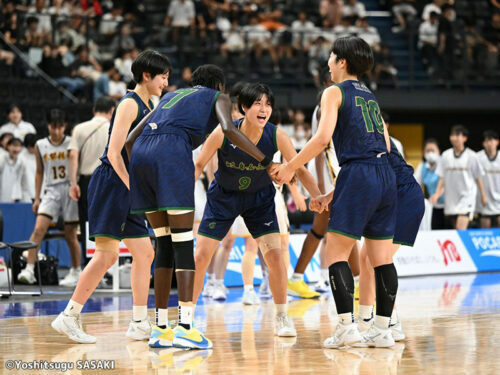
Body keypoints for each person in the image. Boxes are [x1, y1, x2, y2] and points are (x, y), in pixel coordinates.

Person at [126, 65, 278, 350]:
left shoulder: (170, 96)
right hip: (170, 155)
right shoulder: (216, 97)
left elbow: (130, 138)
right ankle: (184, 327)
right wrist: (264, 160)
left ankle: (160, 329)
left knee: (164, 244)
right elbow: (229, 129)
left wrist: (143, 169)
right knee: (183, 244)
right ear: (219, 86)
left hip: (141, 158)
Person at [274, 36, 399, 349]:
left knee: (335, 253)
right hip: (386, 174)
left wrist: (290, 167)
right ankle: (383, 330)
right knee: (382, 259)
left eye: (331, 56)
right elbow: (384, 145)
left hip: (359, 172)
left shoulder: (333, 92)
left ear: (342, 61)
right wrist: (337, 191)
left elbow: (320, 139)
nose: (328, 62)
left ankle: (346, 327)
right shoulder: (370, 96)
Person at [51, 50, 171, 344]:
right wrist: (135, 187)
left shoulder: (149, 105)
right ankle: (69, 316)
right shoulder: (130, 104)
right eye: (163, 76)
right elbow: (114, 153)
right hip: (113, 183)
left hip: (128, 185)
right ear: (146, 75)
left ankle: (140, 321)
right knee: (106, 255)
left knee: (145, 253)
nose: (166, 83)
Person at [192, 83, 323, 339]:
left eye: (268, 104)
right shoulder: (223, 133)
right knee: (200, 256)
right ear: (243, 107)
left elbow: (301, 169)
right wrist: (180, 196)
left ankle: (282, 317)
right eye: (257, 104)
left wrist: (317, 196)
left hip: (260, 200)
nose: (264, 109)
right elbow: (198, 164)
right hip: (224, 198)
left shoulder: (276, 135)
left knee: (276, 258)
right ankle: (186, 320)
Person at [288, 69, 360, 299]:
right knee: (346, 228)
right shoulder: (325, 105)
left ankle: (296, 278)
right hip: (329, 174)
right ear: (328, 79)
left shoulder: (335, 101)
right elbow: (320, 147)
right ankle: (357, 282)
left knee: (320, 229)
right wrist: (319, 186)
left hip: (337, 172)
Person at [357, 138, 424, 343]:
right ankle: (364, 321)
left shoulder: (372, 138)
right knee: (365, 258)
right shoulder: (359, 140)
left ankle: (391, 323)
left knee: (377, 261)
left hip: (404, 197)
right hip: (388, 199)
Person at [17, 110, 81, 287]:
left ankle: (76, 270)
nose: (57, 130)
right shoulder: (40, 145)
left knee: (71, 234)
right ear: (48, 126)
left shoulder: (71, 142)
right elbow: (39, 172)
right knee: (38, 229)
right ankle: (29, 269)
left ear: (65, 126)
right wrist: (37, 198)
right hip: (51, 189)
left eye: (61, 126)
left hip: (69, 188)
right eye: (54, 126)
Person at [67, 96, 116, 260]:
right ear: (112, 111)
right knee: (107, 222)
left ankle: (89, 264)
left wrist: (73, 183)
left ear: (94, 110)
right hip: (109, 180)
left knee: (87, 224)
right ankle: (108, 265)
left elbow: (73, 156)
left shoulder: (80, 128)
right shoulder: (114, 128)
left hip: (86, 180)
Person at [430, 125, 487, 230]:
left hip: (467, 198)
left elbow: (478, 177)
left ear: (464, 138)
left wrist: (483, 195)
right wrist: (437, 194)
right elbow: (442, 178)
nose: (454, 138)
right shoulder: (445, 155)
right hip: (451, 199)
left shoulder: (472, 156)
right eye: (452, 135)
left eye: (457, 135)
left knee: (461, 228)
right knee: (456, 230)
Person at [414, 138, 445, 229]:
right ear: (424, 153)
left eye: (433, 150)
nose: (430, 153)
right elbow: (415, 184)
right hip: (433, 205)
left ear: (439, 151)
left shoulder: (444, 164)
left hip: (448, 206)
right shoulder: (422, 167)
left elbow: (447, 184)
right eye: (428, 151)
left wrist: (437, 194)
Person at [477, 130, 500, 228]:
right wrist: (482, 194)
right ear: (483, 144)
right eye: (486, 141)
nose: (489, 143)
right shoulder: (478, 157)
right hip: (484, 201)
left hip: (498, 200)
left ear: (497, 142)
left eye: (491, 140)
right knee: (485, 231)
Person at [0, 137, 30, 202]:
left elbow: (24, 183)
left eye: (18, 146)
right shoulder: (2, 160)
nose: (16, 148)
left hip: (16, 198)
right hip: (2, 196)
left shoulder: (22, 162)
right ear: (8, 146)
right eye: (14, 145)